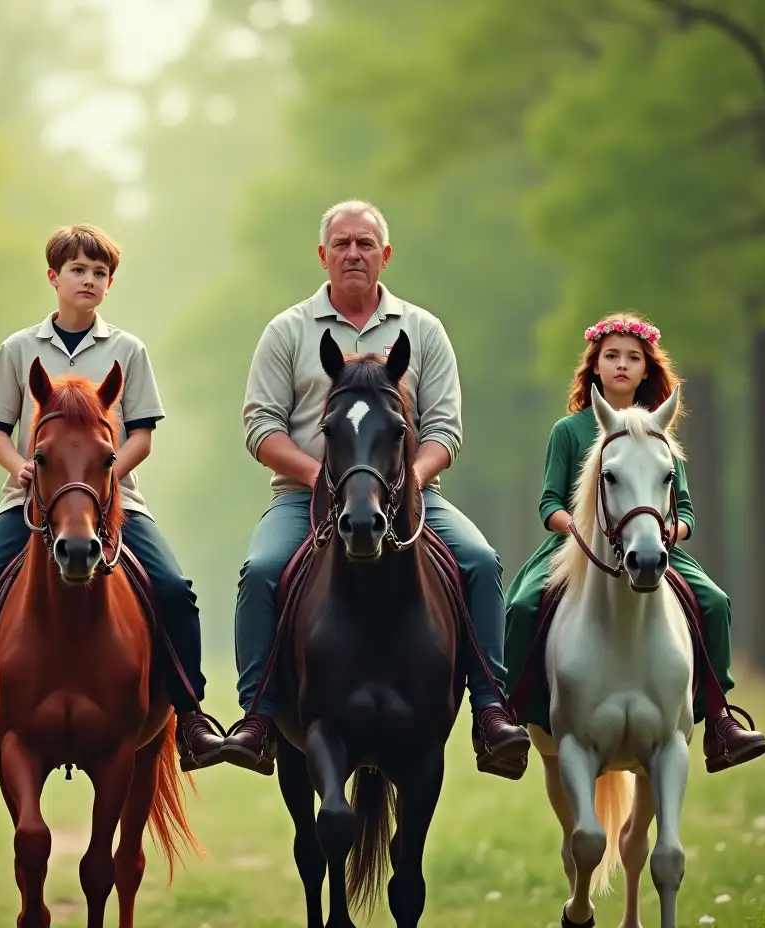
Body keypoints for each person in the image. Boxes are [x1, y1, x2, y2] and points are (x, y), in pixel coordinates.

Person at [219, 199, 531, 779]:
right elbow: (260, 426)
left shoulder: (424, 330)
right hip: (303, 493)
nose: (353, 254)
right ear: (323, 256)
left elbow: (444, 430)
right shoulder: (287, 331)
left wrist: (410, 479)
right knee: (261, 571)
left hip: (407, 493)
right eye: (342, 244)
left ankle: (491, 710)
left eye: (365, 244)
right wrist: (322, 476)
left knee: (482, 561)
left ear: (385, 255)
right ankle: (258, 719)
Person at [0, 224, 225, 778]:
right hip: (28, 503)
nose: (90, 280)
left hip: (115, 499)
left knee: (174, 589)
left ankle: (192, 716)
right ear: (53, 277)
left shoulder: (128, 350)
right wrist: (25, 472)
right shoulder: (18, 349)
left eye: (100, 273)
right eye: (78, 270)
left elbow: (142, 436)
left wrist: (101, 481)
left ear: (110, 284)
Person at [504, 312, 765, 772]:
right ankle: (510, 714)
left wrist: (670, 532)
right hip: (578, 545)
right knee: (523, 605)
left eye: (633, 357)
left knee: (715, 601)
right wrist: (582, 529)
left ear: (647, 369)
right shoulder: (568, 431)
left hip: (650, 543)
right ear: (595, 366)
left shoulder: (659, 433)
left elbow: (683, 509)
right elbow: (549, 504)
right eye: (612, 356)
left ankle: (720, 720)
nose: (622, 365)